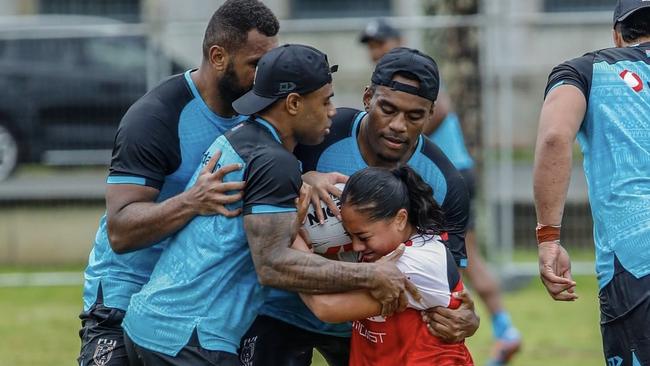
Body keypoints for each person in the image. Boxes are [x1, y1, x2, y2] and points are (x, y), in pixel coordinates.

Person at [122, 44, 416, 366]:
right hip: (190, 338)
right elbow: (273, 265)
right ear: (293, 103)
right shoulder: (274, 161)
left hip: (148, 327)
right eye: (325, 100)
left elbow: (237, 238)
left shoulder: (241, 139)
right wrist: (371, 275)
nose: (333, 110)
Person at [240, 47, 480, 366]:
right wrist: (303, 177)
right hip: (283, 309)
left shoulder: (444, 182)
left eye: (414, 115)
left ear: (431, 114)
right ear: (368, 98)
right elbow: (263, 172)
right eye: (387, 108)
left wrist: (469, 318)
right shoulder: (320, 133)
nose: (397, 125)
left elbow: (448, 282)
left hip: (366, 329)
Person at [77, 1, 280, 365]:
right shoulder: (156, 117)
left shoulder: (264, 115)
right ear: (218, 57)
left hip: (200, 303)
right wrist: (192, 200)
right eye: (256, 65)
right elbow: (121, 232)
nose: (265, 77)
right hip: (126, 294)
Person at [361, 19, 522, 365]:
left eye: (382, 43)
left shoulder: (421, 79)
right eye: (372, 46)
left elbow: (444, 107)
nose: (376, 51)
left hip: (447, 177)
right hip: (420, 176)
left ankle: (505, 329)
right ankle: (504, 328)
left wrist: (402, 139)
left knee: (464, 260)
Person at [534, 1, 650, 364]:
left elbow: (554, 137)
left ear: (617, 34)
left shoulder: (585, 70)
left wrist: (548, 237)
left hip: (635, 260)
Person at [297, 165, 474, 366]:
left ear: (400, 219)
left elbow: (326, 307)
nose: (355, 246)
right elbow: (324, 279)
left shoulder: (416, 261)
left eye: (363, 236)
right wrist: (308, 178)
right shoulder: (379, 251)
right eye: (350, 236)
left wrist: (291, 237)